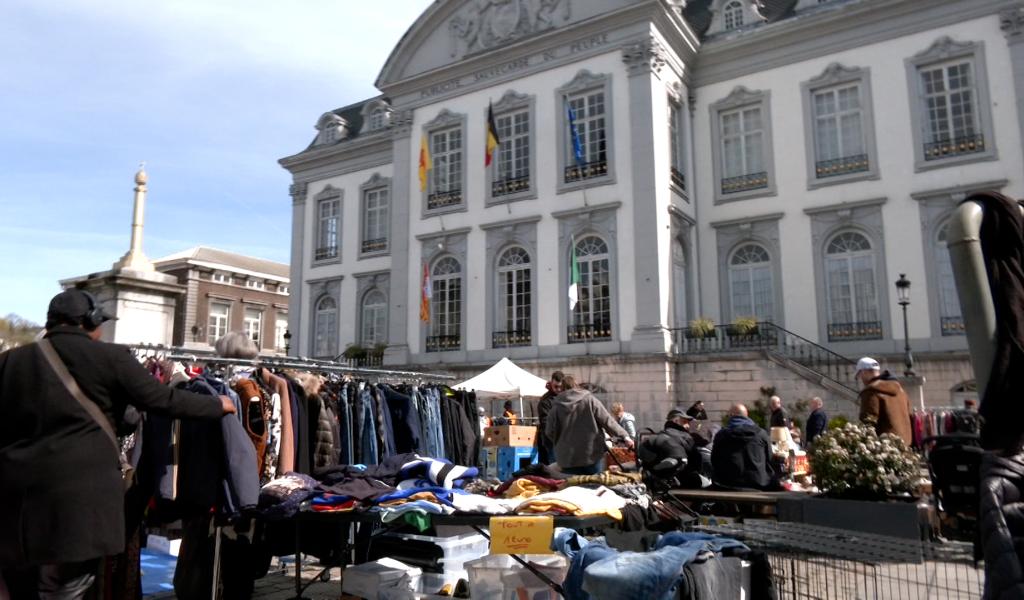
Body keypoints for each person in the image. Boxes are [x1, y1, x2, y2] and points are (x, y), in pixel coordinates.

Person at [0, 289, 235, 599]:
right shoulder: (111, 357)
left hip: (16, 498)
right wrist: (218, 404)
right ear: (90, 321)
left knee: (21, 585)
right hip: (80, 500)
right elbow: (163, 399)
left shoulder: (10, 361)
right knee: (66, 588)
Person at [545, 375, 632, 475]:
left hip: (568, 459)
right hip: (591, 454)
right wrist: (625, 436)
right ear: (576, 385)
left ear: (562, 388)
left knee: (573, 488)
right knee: (596, 487)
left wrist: (562, 443)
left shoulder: (556, 407)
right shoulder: (589, 400)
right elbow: (607, 421)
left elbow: (549, 432)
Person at [711, 404, 776, 490]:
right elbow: (769, 458)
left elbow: (714, 460)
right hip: (757, 483)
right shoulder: (761, 433)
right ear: (746, 415)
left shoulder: (721, 435)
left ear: (731, 416)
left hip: (726, 484)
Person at [638, 408, 706, 489]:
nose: (688, 426)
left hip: (660, 478)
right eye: (684, 422)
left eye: (688, 423)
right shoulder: (683, 436)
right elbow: (696, 457)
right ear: (676, 421)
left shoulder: (663, 434)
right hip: (683, 480)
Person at [856, 357, 912, 446]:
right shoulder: (901, 391)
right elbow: (910, 417)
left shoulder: (871, 391)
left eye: (859, 375)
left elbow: (868, 421)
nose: (860, 379)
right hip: (905, 446)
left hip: (884, 448)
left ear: (864, 372)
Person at [536, 371, 564, 464]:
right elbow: (545, 423)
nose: (558, 389)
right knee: (555, 467)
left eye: (560, 386)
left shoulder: (566, 396)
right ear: (551, 383)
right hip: (551, 441)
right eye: (556, 386)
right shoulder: (545, 401)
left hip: (564, 440)